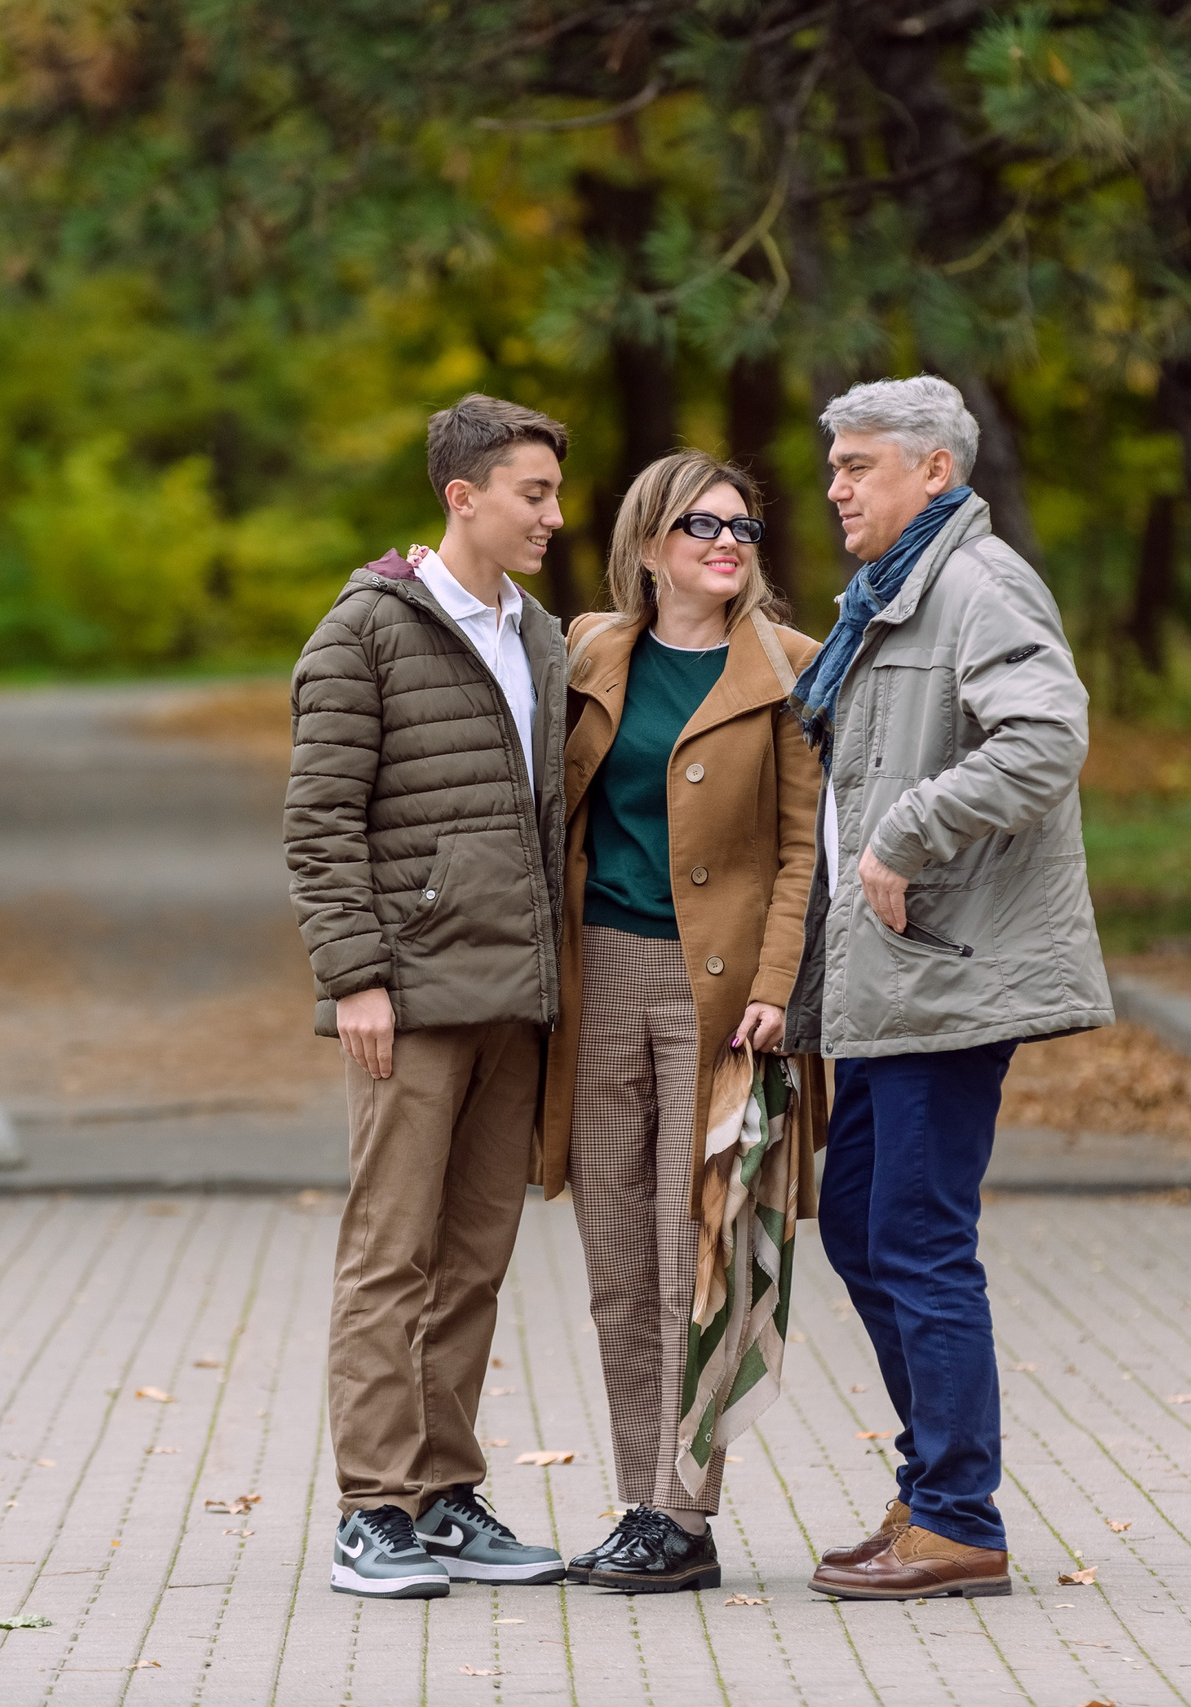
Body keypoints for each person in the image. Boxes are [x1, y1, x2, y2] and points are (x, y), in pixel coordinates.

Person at [786, 376, 1113, 1601]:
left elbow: (1042, 736)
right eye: (834, 466)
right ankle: (933, 1487)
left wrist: (904, 833)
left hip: (947, 971)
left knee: (916, 1239)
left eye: (859, 465)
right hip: (893, 980)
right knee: (864, 1221)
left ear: (934, 470)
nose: (836, 487)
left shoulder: (977, 584)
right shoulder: (896, 593)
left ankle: (959, 1516)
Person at [285, 393, 575, 1600]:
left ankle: (446, 1497)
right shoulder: (364, 632)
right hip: (407, 999)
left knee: (472, 1261)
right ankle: (372, 1512)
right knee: (387, 1258)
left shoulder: (544, 636)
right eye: (533, 493)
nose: (554, 516)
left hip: (515, 995)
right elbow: (317, 824)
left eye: (556, 493)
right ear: (462, 497)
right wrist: (354, 977)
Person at [538, 448, 824, 1593]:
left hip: (723, 1000)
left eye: (744, 528)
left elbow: (807, 844)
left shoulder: (790, 669)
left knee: (694, 1248)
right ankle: (639, 1503)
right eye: (704, 526)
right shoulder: (586, 650)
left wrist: (777, 982)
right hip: (600, 977)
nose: (728, 544)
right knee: (615, 1256)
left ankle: (685, 1512)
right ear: (650, 544)